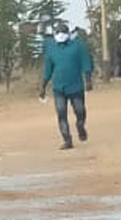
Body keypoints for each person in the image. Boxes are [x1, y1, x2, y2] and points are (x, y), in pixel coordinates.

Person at [39, 21, 94, 150]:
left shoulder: (78, 46)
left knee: (80, 111)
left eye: (63, 31)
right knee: (61, 113)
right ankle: (67, 139)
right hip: (59, 88)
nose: (60, 34)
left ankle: (80, 126)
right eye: (58, 32)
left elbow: (86, 63)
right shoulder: (51, 49)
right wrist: (43, 87)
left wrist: (88, 80)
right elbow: (48, 70)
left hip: (76, 86)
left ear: (68, 33)